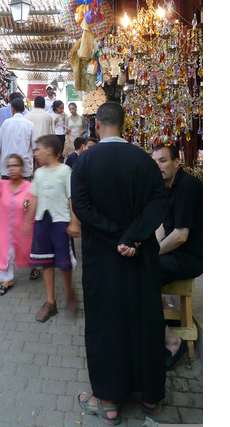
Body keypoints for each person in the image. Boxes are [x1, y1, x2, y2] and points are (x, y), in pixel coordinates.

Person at [70, 102, 168, 424]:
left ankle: (108, 401)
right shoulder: (144, 160)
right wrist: (134, 236)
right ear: (123, 125)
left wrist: (116, 237)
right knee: (146, 319)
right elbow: (159, 203)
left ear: (97, 124)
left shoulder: (85, 162)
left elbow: (82, 208)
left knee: (105, 323)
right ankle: (151, 398)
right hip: (141, 258)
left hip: (103, 260)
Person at [151, 143, 203, 370]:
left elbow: (181, 236)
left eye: (163, 161)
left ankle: (173, 343)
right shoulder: (166, 187)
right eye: (154, 162)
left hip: (190, 258)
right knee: (137, 266)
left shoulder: (188, 186)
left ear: (177, 162)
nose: (158, 166)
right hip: (175, 253)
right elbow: (163, 226)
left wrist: (152, 253)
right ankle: (159, 315)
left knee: (142, 274)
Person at [23, 134, 80, 323]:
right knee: (46, 262)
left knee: (64, 263)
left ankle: (70, 291)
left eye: (38, 148)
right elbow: (35, 198)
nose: (35, 152)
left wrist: (74, 222)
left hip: (61, 222)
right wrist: (27, 221)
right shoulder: (38, 173)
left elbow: (72, 198)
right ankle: (51, 301)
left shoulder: (65, 171)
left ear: (49, 150)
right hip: (42, 222)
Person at [0, 154, 35, 296]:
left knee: (27, 250)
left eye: (16, 165)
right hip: (4, 229)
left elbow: (35, 207)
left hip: (24, 228)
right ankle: (6, 280)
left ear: (22, 168)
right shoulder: (2, 185)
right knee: (7, 252)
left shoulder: (29, 188)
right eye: (10, 166)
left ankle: (35, 266)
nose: (12, 169)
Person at [0, 97, 39, 180]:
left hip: (8, 168)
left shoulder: (6, 123)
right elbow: (35, 147)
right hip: (24, 168)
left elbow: (1, 141)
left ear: (12, 109)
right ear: (23, 109)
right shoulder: (30, 125)